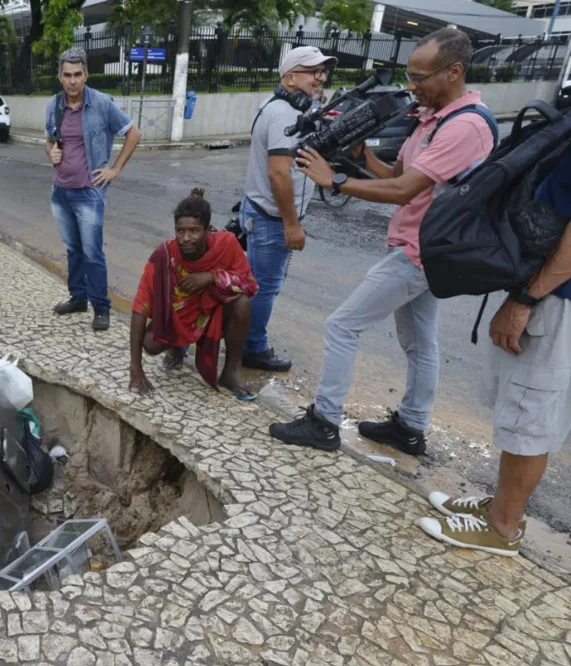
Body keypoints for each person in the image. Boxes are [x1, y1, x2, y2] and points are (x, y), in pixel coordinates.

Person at [271, 28, 497, 453]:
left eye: (420, 77)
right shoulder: (436, 119)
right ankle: (409, 427)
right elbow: (396, 176)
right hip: (423, 249)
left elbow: (403, 192)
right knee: (419, 343)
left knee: (342, 325)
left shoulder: (466, 126)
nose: (412, 86)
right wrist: (361, 159)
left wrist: (335, 181)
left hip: (420, 253)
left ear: (454, 72)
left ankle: (324, 421)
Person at [417, 151, 571, 557]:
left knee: (530, 416)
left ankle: (503, 528)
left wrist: (525, 298)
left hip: (556, 298)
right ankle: (502, 509)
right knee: (521, 408)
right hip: (548, 293)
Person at [240, 46, 338, 373]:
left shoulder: (281, 107)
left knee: (258, 283)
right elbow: (279, 174)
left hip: (263, 214)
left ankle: (242, 339)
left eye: (323, 72)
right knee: (263, 287)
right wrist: (292, 225)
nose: (320, 78)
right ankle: (251, 348)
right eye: (313, 71)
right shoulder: (284, 114)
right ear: (290, 76)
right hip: (271, 219)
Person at [45, 47, 141, 332]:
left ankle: (101, 307)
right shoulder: (54, 105)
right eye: (67, 75)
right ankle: (78, 297)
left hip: (89, 192)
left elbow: (133, 133)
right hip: (60, 191)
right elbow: (50, 140)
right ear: (60, 77)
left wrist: (115, 169)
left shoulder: (101, 103)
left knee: (92, 252)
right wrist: (51, 151)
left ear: (86, 74)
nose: (73, 80)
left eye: (78, 74)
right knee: (73, 249)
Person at [129, 189, 258, 400]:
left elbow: (249, 284)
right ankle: (178, 348)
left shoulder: (227, 244)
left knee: (242, 304)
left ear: (207, 230)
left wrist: (210, 276)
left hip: (213, 315)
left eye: (194, 231)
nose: (186, 238)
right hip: (181, 318)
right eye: (180, 231)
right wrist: (135, 365)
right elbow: (140, 306)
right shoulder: (164, 255)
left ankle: (230, 372)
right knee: (150, 344)